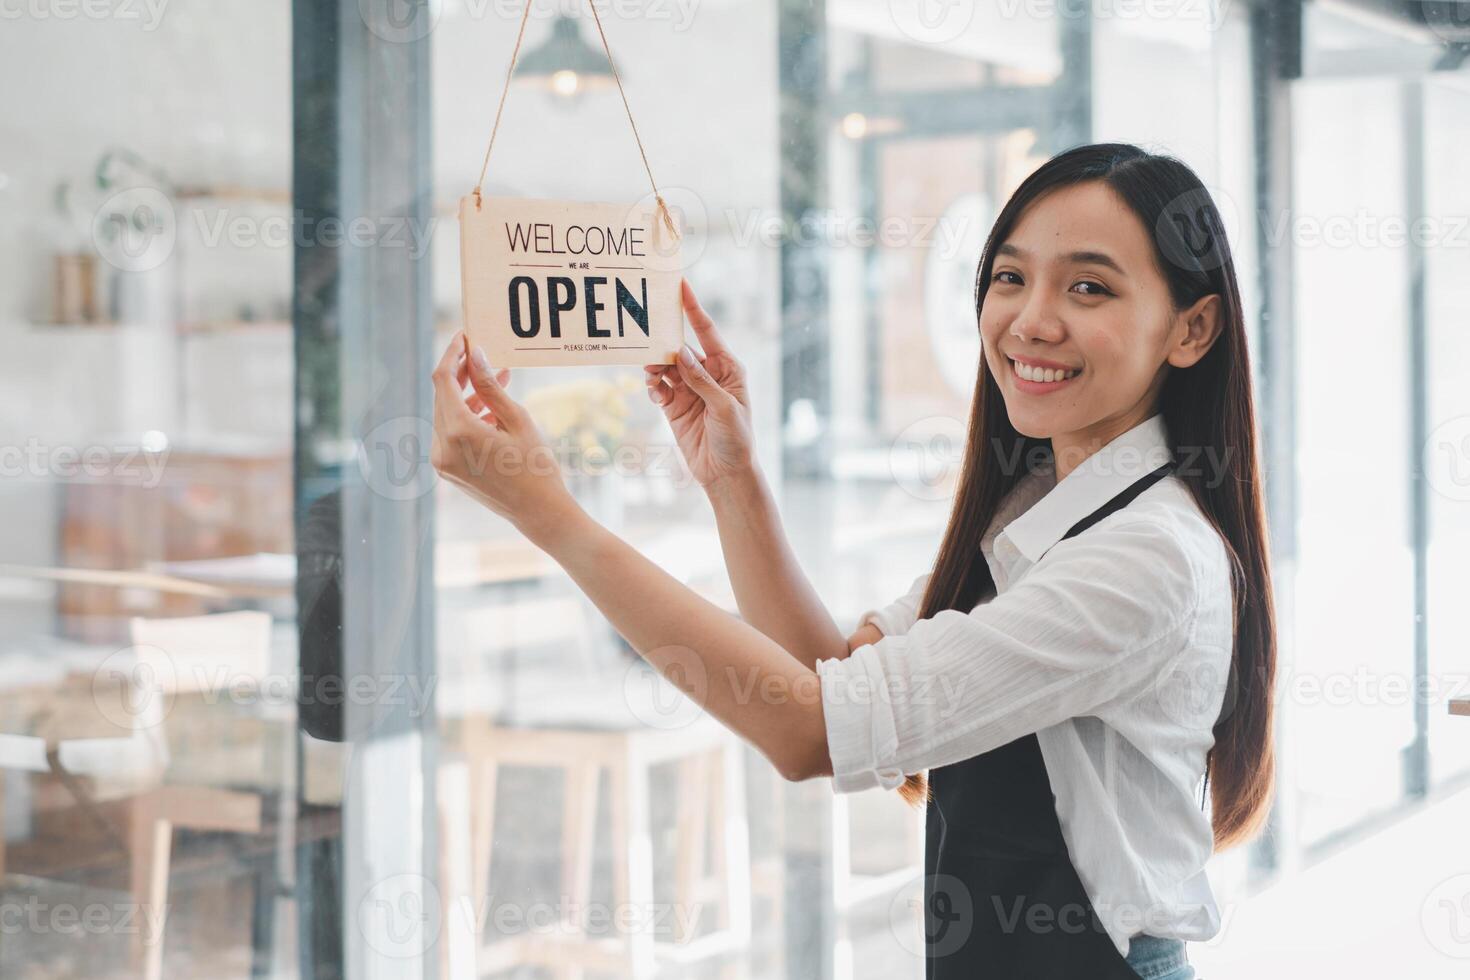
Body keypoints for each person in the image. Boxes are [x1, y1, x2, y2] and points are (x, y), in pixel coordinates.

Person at [430, 142, 1276, 979]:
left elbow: (806, 731)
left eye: (1088, 287)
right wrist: (734, 480)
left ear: (1192, 329)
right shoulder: (1037, 516)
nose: (1031, 320)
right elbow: (827, 673)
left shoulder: (1148, 558)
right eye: (1011, 277)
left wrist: (549, 516)